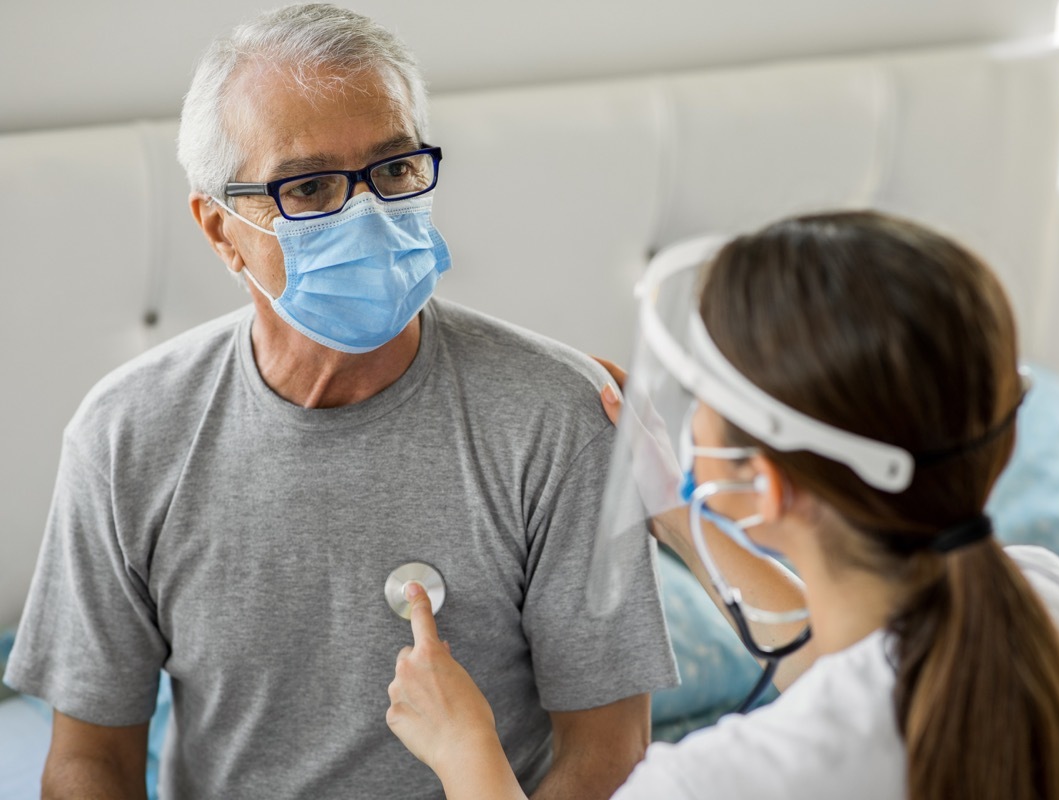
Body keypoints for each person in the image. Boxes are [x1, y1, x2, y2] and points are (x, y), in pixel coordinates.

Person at [2, 4, 677, 799]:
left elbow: (609, 753)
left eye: (394, 171)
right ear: (220, 230)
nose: (367, 214)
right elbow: (89, 761)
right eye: (310, 186)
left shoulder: (559, 417)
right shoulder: (126, 436)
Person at [384, 211, 1059, 800]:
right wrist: (679, 514)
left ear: (770, 488)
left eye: (708, 394)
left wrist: (466, 751)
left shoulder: (719, 781)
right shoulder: (1049, 604)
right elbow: (853, 667)